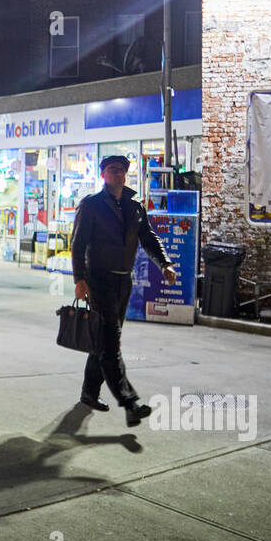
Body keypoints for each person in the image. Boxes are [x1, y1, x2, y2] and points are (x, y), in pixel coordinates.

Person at [71, 155, 177, 425]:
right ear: (103, 174)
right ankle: (130, 402)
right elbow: (78, 243)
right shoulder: (91, 205)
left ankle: (88, 393)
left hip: (123, 281)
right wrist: (79, 280)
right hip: (99, 280)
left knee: (103, 339)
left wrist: (164, 262)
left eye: (122, 171)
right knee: (111, 341)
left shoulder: (135, 206)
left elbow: (148, 237)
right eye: (113, 170)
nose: (119, 174)